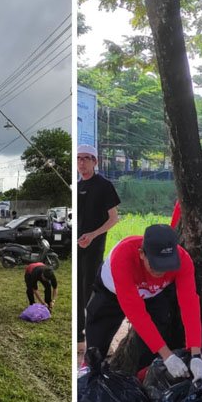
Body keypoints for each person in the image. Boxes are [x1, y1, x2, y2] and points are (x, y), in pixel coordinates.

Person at [85, 224, 202, 381]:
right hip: (112, 290)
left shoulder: (183, 261)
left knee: (158, 327)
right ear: (142, 254)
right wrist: (168, 356)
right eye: (156, 266)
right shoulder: (123, 257)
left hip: (153, 293)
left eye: (166, 266)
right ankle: (90, 371)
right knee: (98, 332)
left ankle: (142, 377)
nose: (161, 272)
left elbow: (190, 304)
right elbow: (136, 314)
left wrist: (196, 353)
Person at [77, 143, 120, 352]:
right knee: (76, 290)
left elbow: (114, 219)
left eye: (86, 158)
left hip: (93, 248)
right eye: (78, 158)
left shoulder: (104, 185)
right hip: (77, 246)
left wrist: (93, 235)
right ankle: (78, 337)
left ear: (95, 161)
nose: (81, 162)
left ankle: (97, 338)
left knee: (90, 292)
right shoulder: (76, 187)